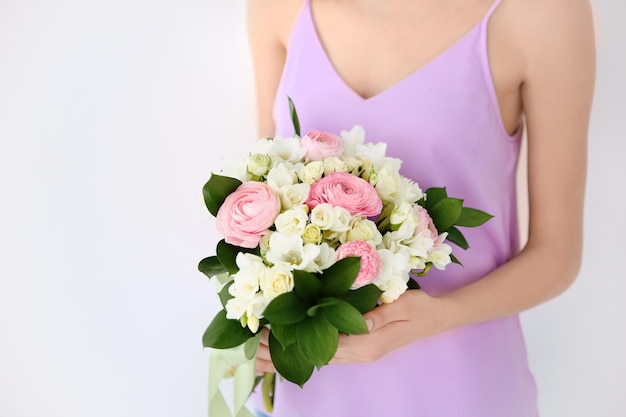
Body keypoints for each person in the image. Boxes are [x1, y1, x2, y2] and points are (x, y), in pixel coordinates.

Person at [246, 0, 595, 415]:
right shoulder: (277, 6)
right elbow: (266, 194)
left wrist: (439, 316)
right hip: (312, 383)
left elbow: (556, 255)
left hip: (460, 387)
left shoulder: (543, 14)